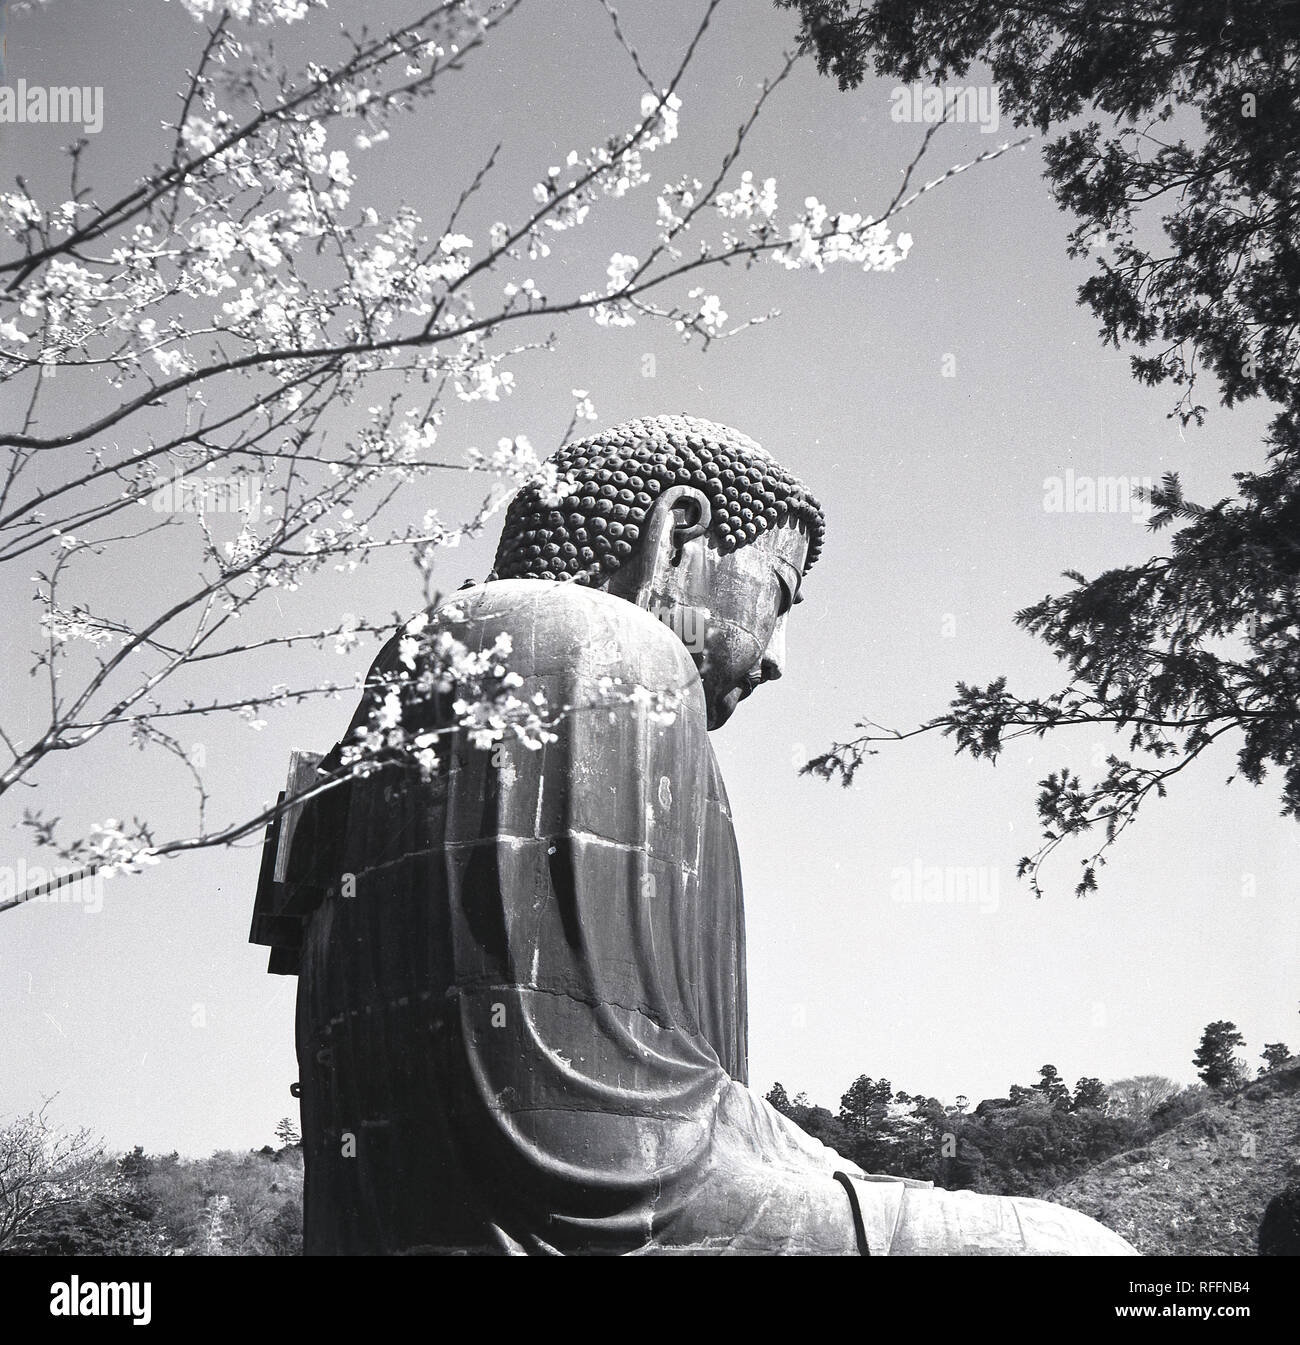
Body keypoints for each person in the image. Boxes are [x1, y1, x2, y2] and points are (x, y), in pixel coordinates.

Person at [266, 414, 1135, 1255]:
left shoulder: (413, 678)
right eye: (778, 594)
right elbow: (624, 1155)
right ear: (676, 533)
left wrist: (842, 1176)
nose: (776, 655)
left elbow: (690, 1096)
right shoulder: (605, 650)